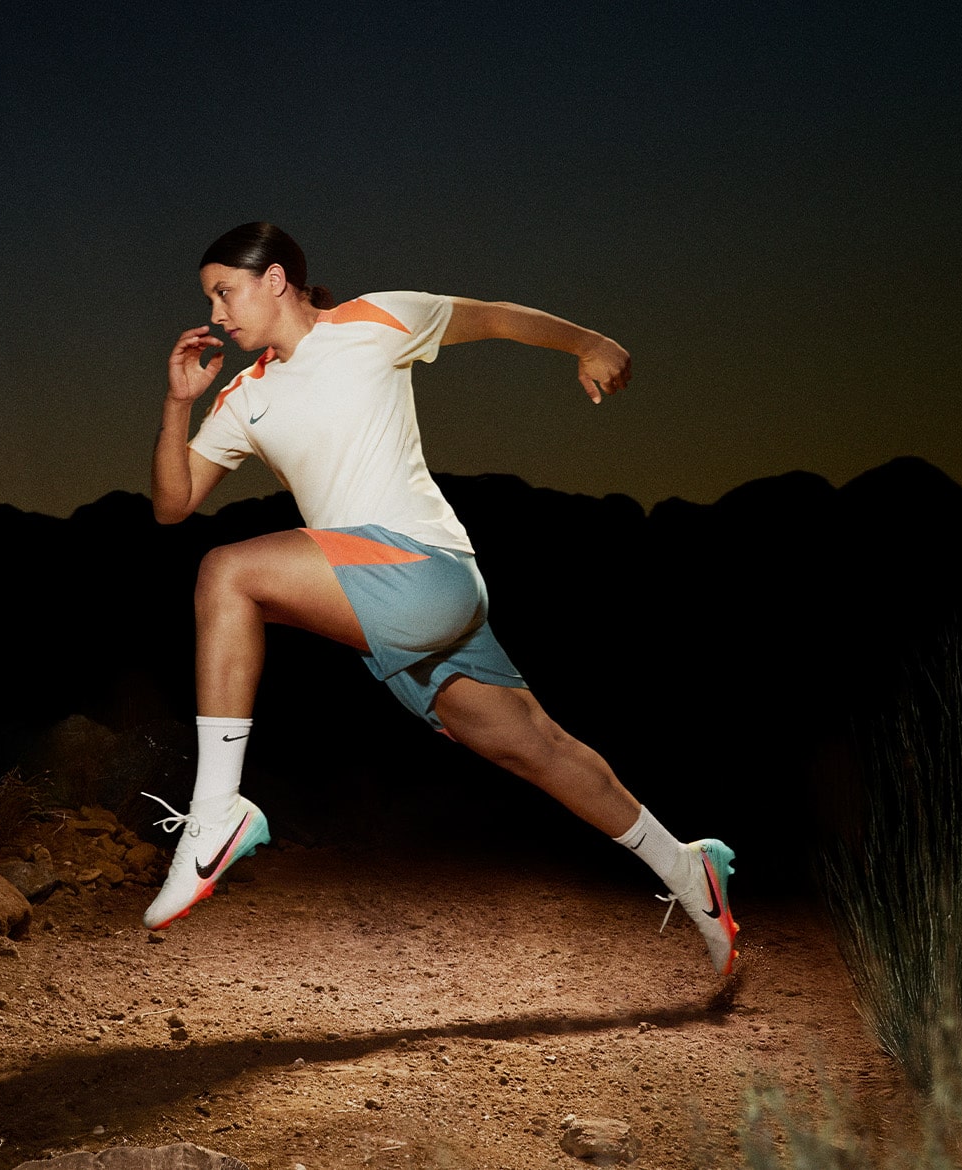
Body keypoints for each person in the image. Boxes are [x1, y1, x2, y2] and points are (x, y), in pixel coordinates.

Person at [143, 222, 740, 974]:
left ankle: (216, 814)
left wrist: (589, 342)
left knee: (227, 573)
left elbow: (493, 317)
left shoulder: (371, 321)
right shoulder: (243, 395)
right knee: (540, 749)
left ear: (276, 280)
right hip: (386, 597)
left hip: (425, 570)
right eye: (209, 299)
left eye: (225, 292)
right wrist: (178, 404)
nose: (217, 313)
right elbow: (172, 504)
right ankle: (688, 868)